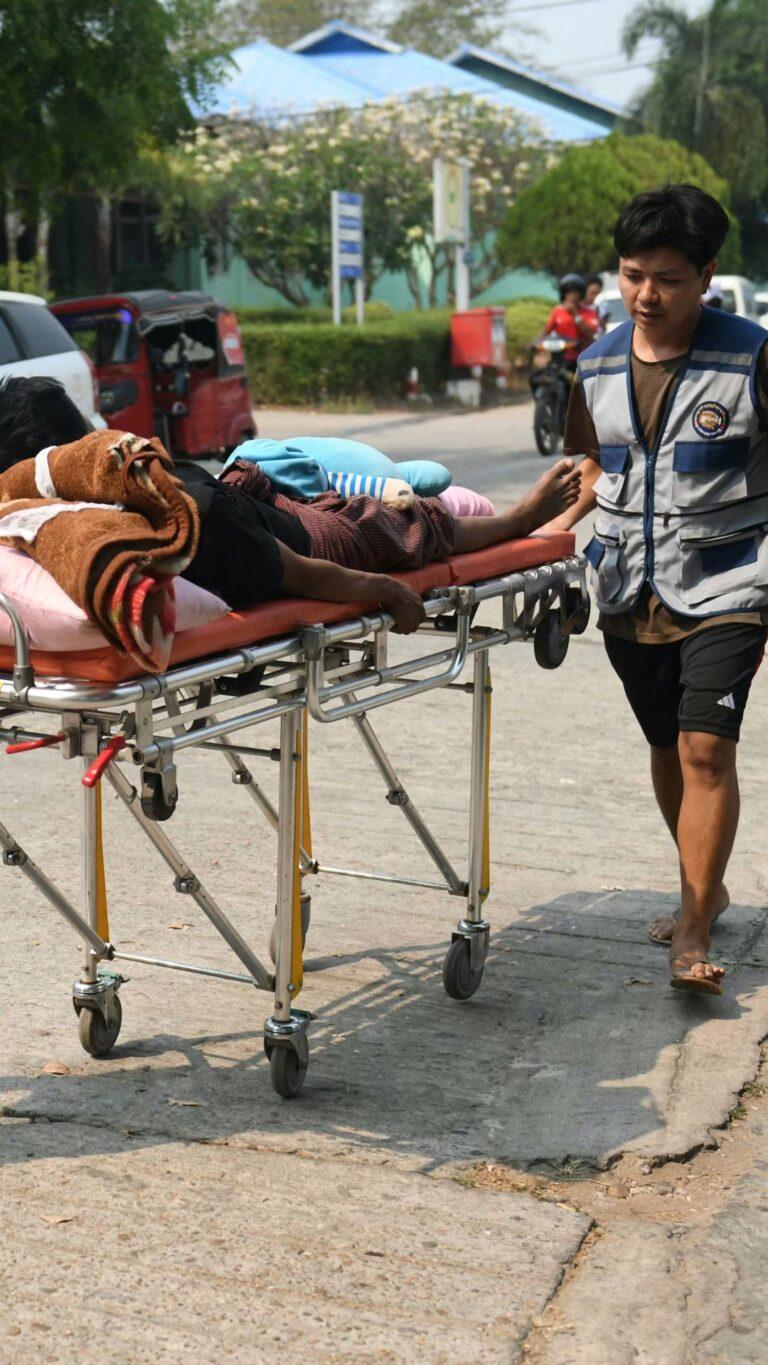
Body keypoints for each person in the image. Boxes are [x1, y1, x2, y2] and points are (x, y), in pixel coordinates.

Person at [545, 182, 768, 996]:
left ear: (706, 274)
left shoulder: (751, 354)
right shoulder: (597, 360)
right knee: (668, 747)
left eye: (668, 277)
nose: (645, 294)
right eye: (632, 274)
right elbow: (589, 465)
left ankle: (695, 923)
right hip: (626, 590)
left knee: (708, 746)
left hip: (732, 584)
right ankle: (703, 884)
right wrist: (533, 539)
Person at [0, 376, 581, 634]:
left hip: (259, 510)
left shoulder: (36, 518)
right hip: (295, 536)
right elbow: (303, 572)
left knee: (374, 506)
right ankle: (518, 519)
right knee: (403, 524)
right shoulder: (178, 509)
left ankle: (513, 520)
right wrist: (384, 589)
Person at [543, 274, 595, 366]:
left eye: (575, 293)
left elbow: (589, 333)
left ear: (580, 294)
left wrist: (575, 314)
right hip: (560, 358)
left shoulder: (588, 312)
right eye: (568, 293)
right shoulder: (557, 311)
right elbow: (546, 331)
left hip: (582, 358)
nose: (571, 296)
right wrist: (536, 342)